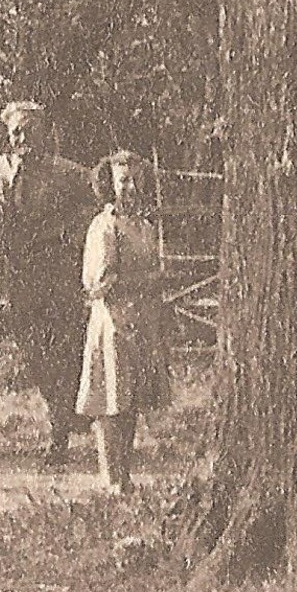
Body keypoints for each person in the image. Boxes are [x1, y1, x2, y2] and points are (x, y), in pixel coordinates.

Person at [74, 149, 170, 494]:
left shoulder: (144, 226)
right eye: (123, 182)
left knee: (129, 402)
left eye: (136, 181)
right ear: (110, 185)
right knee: (109, 401)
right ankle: (110, 476)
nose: (130, 188)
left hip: (141, 322)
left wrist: (156, 281)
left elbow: (152, 268)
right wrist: (142, 281)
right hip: (113, 322)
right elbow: (98, 282)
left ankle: (124, 475)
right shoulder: (104, 226)